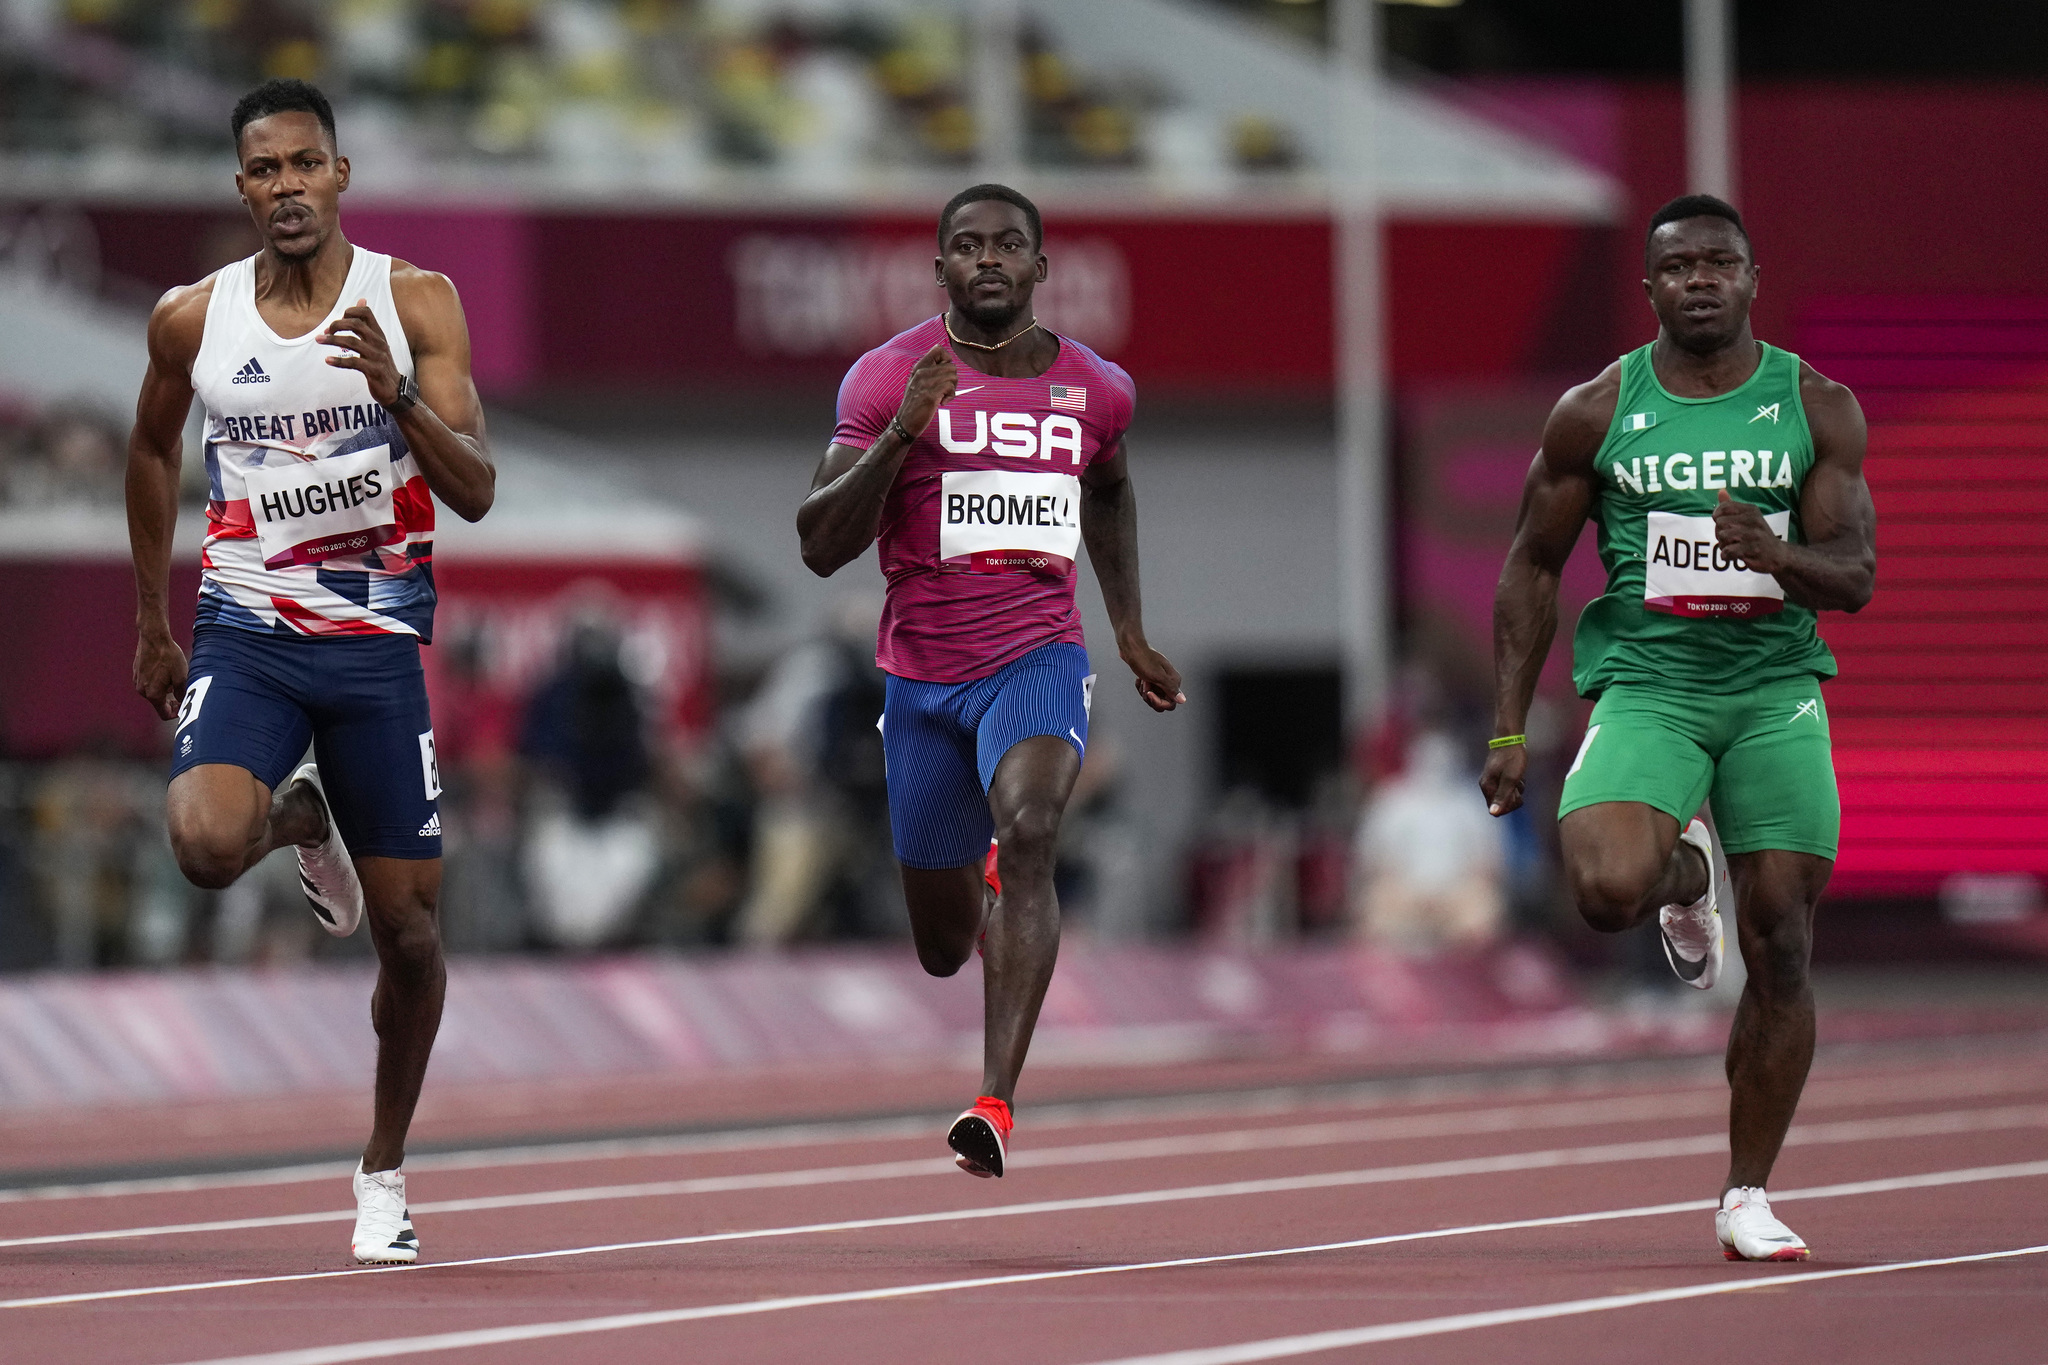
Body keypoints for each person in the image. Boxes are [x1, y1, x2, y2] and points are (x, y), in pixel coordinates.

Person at [125, 79, 495, 1264]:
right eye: (264, 169)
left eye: (305, 164)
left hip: (376, 643)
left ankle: (381, 1171)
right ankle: (299, 822)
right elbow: (148, 443)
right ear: (241, 188)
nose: (286, 186)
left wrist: (393, 393)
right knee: (198, 842)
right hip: (247, 631)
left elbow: (478, 489)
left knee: (413, 941)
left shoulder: (417, 301)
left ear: (341, 175)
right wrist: (149, 616)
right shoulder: (193, 317)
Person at [1482, 195, 1876, 1261]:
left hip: (1771, 691)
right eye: (1679, 266)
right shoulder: (1595, 408)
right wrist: (1509, 728)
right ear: (1647, 286)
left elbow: (1855, 578)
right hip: (1649, 684)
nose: (1700, 280)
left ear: (1751, 278)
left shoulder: (1815, 405)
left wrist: (1776, 555)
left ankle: (1745, 1191)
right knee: (1605, 891)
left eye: (1720, 264)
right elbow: (1528, 565)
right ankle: (1680, 880)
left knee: (1782, 940)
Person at [798, 184, 1183, 1177]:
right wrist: (898, 435)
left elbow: (1110, 488)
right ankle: (983, 902)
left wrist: (1129, 631)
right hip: (921, 682)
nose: (987, 260)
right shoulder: (887, 378)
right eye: (965, 247)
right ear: (940, 270)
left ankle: (994, 1101)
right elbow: (816, 545)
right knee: (936, 942)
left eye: (1007, 245)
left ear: (1039, 267)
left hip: (1038, 657)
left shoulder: (1096, 389)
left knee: (1034, 825)